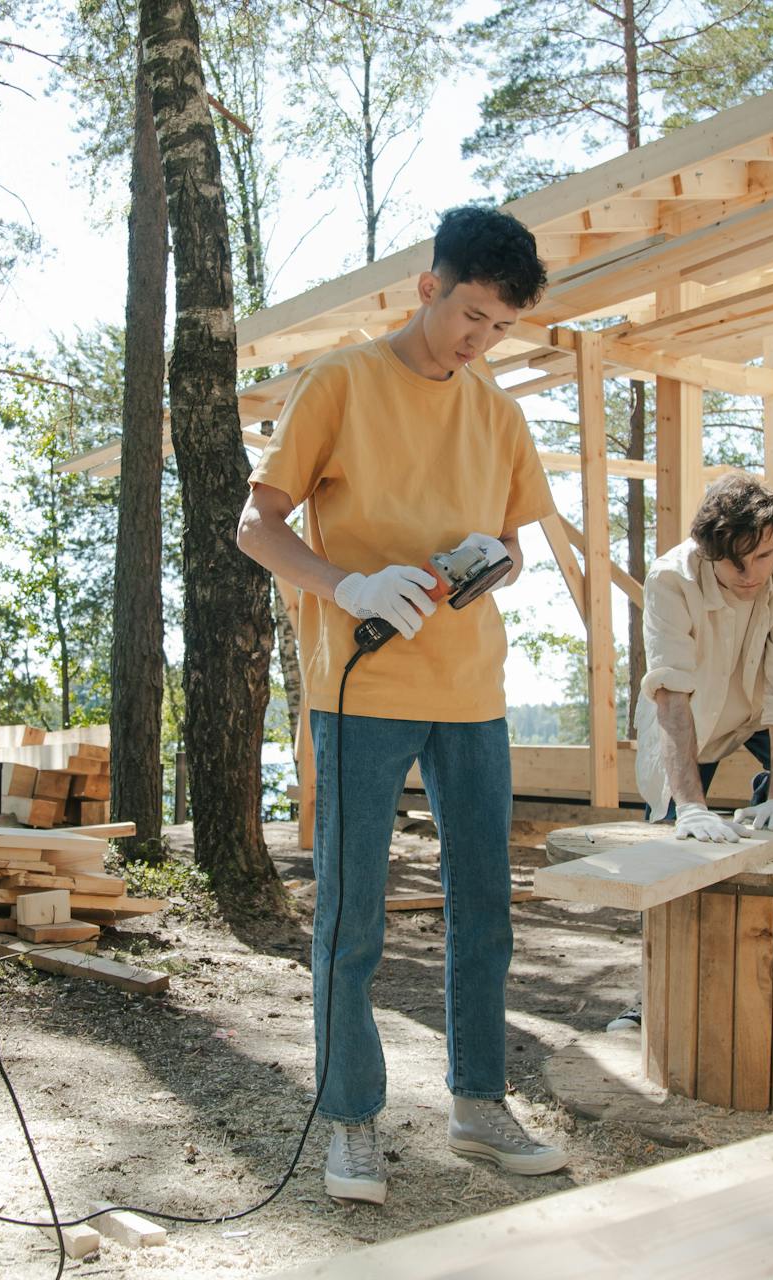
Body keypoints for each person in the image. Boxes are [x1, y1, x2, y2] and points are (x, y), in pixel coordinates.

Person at [235, 206, 567, 1204]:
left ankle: (477, 1103)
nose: (480, 341)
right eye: (471, 316)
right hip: (362, 686)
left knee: (485, 910)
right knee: (352, 917)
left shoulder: (495, 408)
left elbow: (517, 543)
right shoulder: (339, 382)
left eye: (500, 327)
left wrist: (493, 564)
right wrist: (348, 586)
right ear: (428, 289)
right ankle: (350, 1121)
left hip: (472, 691)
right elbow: (256, 524)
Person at [609, 473, 773, 1031]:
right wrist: (692, 806)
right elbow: (674, 697)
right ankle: (649, 996)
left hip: (759, 708)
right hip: (693, 717)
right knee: (672, 843)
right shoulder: (669, 579)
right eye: (738, 564)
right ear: (708, 554)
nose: (753, 574)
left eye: (763, 556)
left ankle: (761, 805)